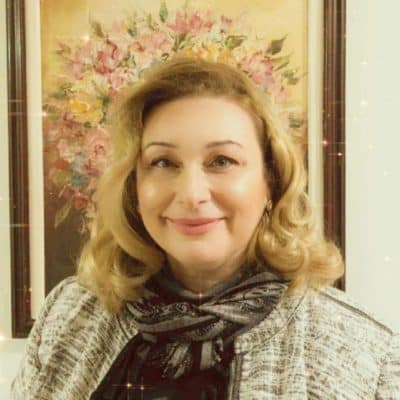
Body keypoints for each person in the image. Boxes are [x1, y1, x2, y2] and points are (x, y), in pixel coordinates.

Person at [11, 56, 400, 400]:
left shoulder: (368, 354)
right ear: (134, 184)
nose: (192, 194)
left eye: (222, 161)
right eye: (164, 162)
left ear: (270, 180)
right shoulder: (68, 312)